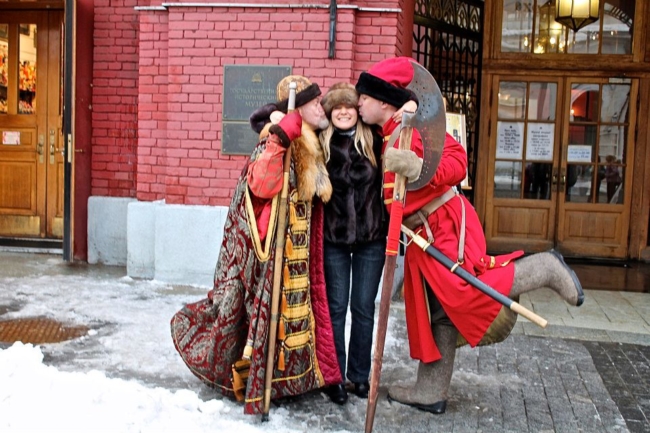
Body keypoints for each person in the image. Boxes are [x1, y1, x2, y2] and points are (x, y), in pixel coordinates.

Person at [355, 57, 585, 415]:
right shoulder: (389, 132)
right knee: (438, 313)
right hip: (421, 236)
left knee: (463, 291)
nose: (358, 104)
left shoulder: (414, 128)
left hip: (445, 226)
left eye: (363, 97)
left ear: (383, 101)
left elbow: (458, 162)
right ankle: (430, 390)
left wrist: (420, 170)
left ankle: (543, 268)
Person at [170, 75, 342, 415]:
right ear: (299, 108)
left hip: (301, 252)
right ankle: (267, 382)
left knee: (297, 321)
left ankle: (290, 381)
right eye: (315, 103)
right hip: (274, 253)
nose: (322, 107)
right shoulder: (274, 141)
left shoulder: (313, 144)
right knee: (271, 322)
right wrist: (280, 138)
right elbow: (261, 186)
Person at [316, 83, 417, 405]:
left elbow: (406, 113)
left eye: (348, 106)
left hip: (371, 239)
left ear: (356, 110)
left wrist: (411, 105)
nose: (343, 112)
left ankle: (358, 375)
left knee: (362, 308)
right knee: (335, 309)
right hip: (333, 239)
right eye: (337, 108)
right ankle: (334, 377)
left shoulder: (375, 138)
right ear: (330, 113)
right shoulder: (320, 143)